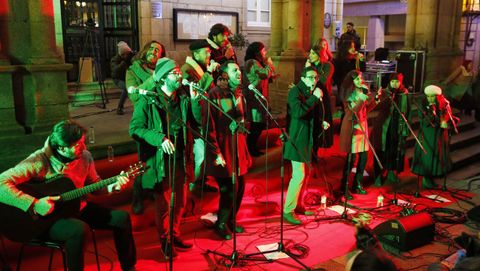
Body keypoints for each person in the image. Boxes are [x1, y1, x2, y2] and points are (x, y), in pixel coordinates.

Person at [0, 120, 136, 271]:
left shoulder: (85, 157)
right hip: (46, 219)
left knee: (121, 218)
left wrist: (114, 186)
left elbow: (95, 186)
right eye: (78, 145)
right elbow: (1, 184)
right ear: (62, 148)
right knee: (78, 230)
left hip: (77, 207)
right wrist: (34, 203)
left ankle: (129, 267)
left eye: (83, 142)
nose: (84, 147)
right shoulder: (38, 161)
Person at [129, 58, 200, 259]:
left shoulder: (183, 98)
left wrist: (195, 101)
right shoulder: (148, 100)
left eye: (179, 72)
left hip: (181, 157)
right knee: (165, 204)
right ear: (162, 78)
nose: (180, 76)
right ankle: (165, 240)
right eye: (175, 72)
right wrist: (159, 138)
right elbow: (135, 129)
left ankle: (174, 234)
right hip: (161, 161)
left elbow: (196, 123)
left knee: (180, 201)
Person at [204, 61, 251, 239]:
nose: (239, 72)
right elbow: (209, 128)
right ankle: (221, 223)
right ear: (224, 74)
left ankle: (231, 220)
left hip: (238, 148)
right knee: (230, 188)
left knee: (241, 187)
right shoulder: (214, 95)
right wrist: (216, 153)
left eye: (239, 69)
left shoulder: (239, 93)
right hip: (223, 149)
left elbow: (242, 121)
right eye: (234, 70)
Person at [283, 66, 329, 225]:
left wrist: (320, 122)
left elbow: (308, 115)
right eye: (311, 77)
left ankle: (299, 204)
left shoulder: (310, 92)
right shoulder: (295, 91)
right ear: (302, 78)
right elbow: (298, 112)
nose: (314, 80)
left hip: (307, 139)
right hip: (296, 139)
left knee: (306, 172)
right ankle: (288, 210)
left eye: (316, 78)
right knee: (299, 175)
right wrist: (314, 98)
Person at [126, 40, 166, 214]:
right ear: (145, 50)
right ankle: (137, 197)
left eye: (158, 50)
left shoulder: (163, 69)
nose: (154, 51)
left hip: (163, 117)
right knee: (146, 161)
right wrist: (154, 79)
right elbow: (134, 95)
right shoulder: (133, 70)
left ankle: (155, 192)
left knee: (161, 160)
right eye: (152, 48)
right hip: (145, 119)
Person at [181, 39, 220, 194]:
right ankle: (192, 187)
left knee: (206, 155)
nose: (209, 55)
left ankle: (201, 182)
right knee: (201, 156)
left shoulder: (199, 68)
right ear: (196, 53)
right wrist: (209, 73)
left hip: (205, 118)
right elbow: (197, 92)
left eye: (209, 52)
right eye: (206, 52)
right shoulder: (187, 70)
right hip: (194, 120)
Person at [339, 70, 381, 199]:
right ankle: (344, 186)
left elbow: (365, 110)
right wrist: (363, 97)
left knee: (363, 158)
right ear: (352, 82)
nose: (360, 81)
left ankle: (357, 183)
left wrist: (375, 101)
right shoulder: (349, 95)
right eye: (357, 79)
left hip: (363, 128)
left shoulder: (362, 92)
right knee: (351, 160)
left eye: (361, 78)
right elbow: (353, 113)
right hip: (353, 129)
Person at [411, 85, 456, 189]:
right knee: (428, 155)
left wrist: (445, 120)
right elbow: (423, 120)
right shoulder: (423, 104)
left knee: (437, 154)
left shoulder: (444, 103)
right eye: (428, 96)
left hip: (439, 134)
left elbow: (448, 115)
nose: (430, 99)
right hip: (428, 133)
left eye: (432, 96)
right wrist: (432, 111)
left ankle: (432, 177)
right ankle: (426, 178)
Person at [371, 73, 411, 186]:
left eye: (397, 81)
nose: (395, 84)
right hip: (383, 126)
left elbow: (407, 111)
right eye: (393, 81)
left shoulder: (405, 94)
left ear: (401, 82)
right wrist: (378, 98)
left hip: (397, 126)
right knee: (381, 150)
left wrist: (406, 127)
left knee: (394, 149)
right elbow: (377, 107)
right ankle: (378, 175)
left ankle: (391, 172)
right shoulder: (384, 92)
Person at [243, 41, 276, 157]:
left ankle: (252, 148)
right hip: (255, 99)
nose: (265, 53)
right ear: (257, 53)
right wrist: (269, 64)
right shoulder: (252, 62)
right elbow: (263, 74)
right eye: (263, 51)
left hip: (259, 98)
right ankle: (250, 148)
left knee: (258, 124)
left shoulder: (255, 62)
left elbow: (261, 77)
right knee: (257, 124)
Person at [306, 38, 335, 149]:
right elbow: (305, 81)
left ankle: (318, 147)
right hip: (311, 97)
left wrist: (309, 70)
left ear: (319, 55)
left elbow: (322, 81)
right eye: (310, 52)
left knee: (320, 121)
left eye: (312, 53)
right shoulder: (310, 66)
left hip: (322, 97)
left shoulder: (328, 66)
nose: (309, 55)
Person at [111, 41, 134, 115]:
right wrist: (124, 63)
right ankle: (119, 107)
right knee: (126, 88)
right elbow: (115, 70)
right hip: (118, 79)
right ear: (122, 54)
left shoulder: (129, 58)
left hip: (127, 78)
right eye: (126, 54)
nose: (127, 55)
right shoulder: (115, 59)